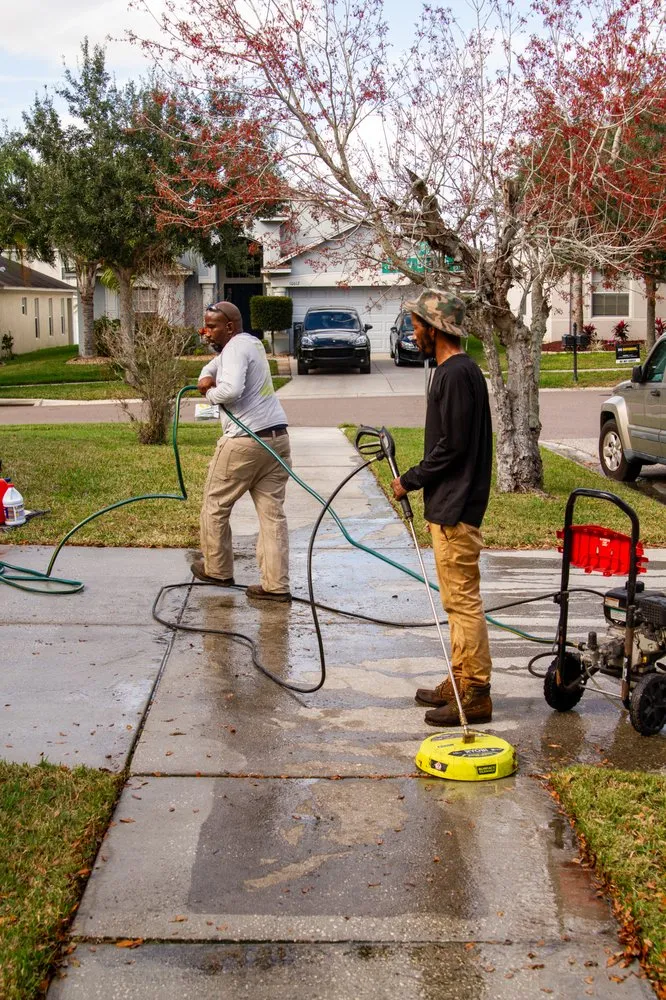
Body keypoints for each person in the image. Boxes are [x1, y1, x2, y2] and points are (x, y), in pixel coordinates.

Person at [391, 288, 493, 726]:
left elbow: (451, 446)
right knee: (454, 601)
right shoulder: (457, 372)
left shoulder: (455, 375)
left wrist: (409, 480)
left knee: (462, 602)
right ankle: (458, 680)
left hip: (455, 506)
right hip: (453, 502)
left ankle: (476, 694)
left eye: (417, 325)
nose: (413, 333)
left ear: (435, 329)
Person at [192, 301, 292, 602]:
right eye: (205, 326)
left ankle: (218, 569)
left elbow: (231, 390)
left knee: (214, 504)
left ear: (230, 327)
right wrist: (205, 375)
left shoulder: (234, 349)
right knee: (272, 515)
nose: (206, 333)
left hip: (244, 441)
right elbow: (214, 366)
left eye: (212, 327)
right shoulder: (252, 344)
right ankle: (276, 586)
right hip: (277, 440)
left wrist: (208, 392)